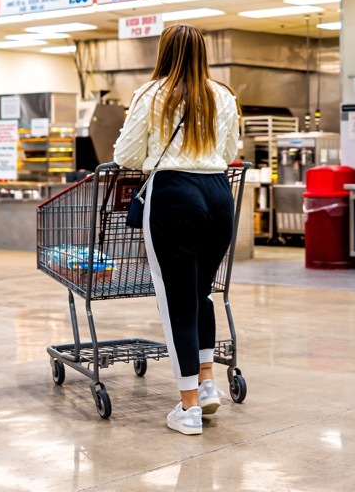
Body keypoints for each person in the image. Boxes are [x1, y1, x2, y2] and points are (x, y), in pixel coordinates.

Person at [113, 25, 241, 437]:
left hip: (174, 195)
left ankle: (187, 409)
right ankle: (206, 384)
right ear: (203, 52)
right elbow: (230, 152)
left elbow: (126, 155)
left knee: (177, 303)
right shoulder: (223, 95)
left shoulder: (151, 94)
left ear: (164, 51)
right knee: (202, 294)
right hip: (219, 196)